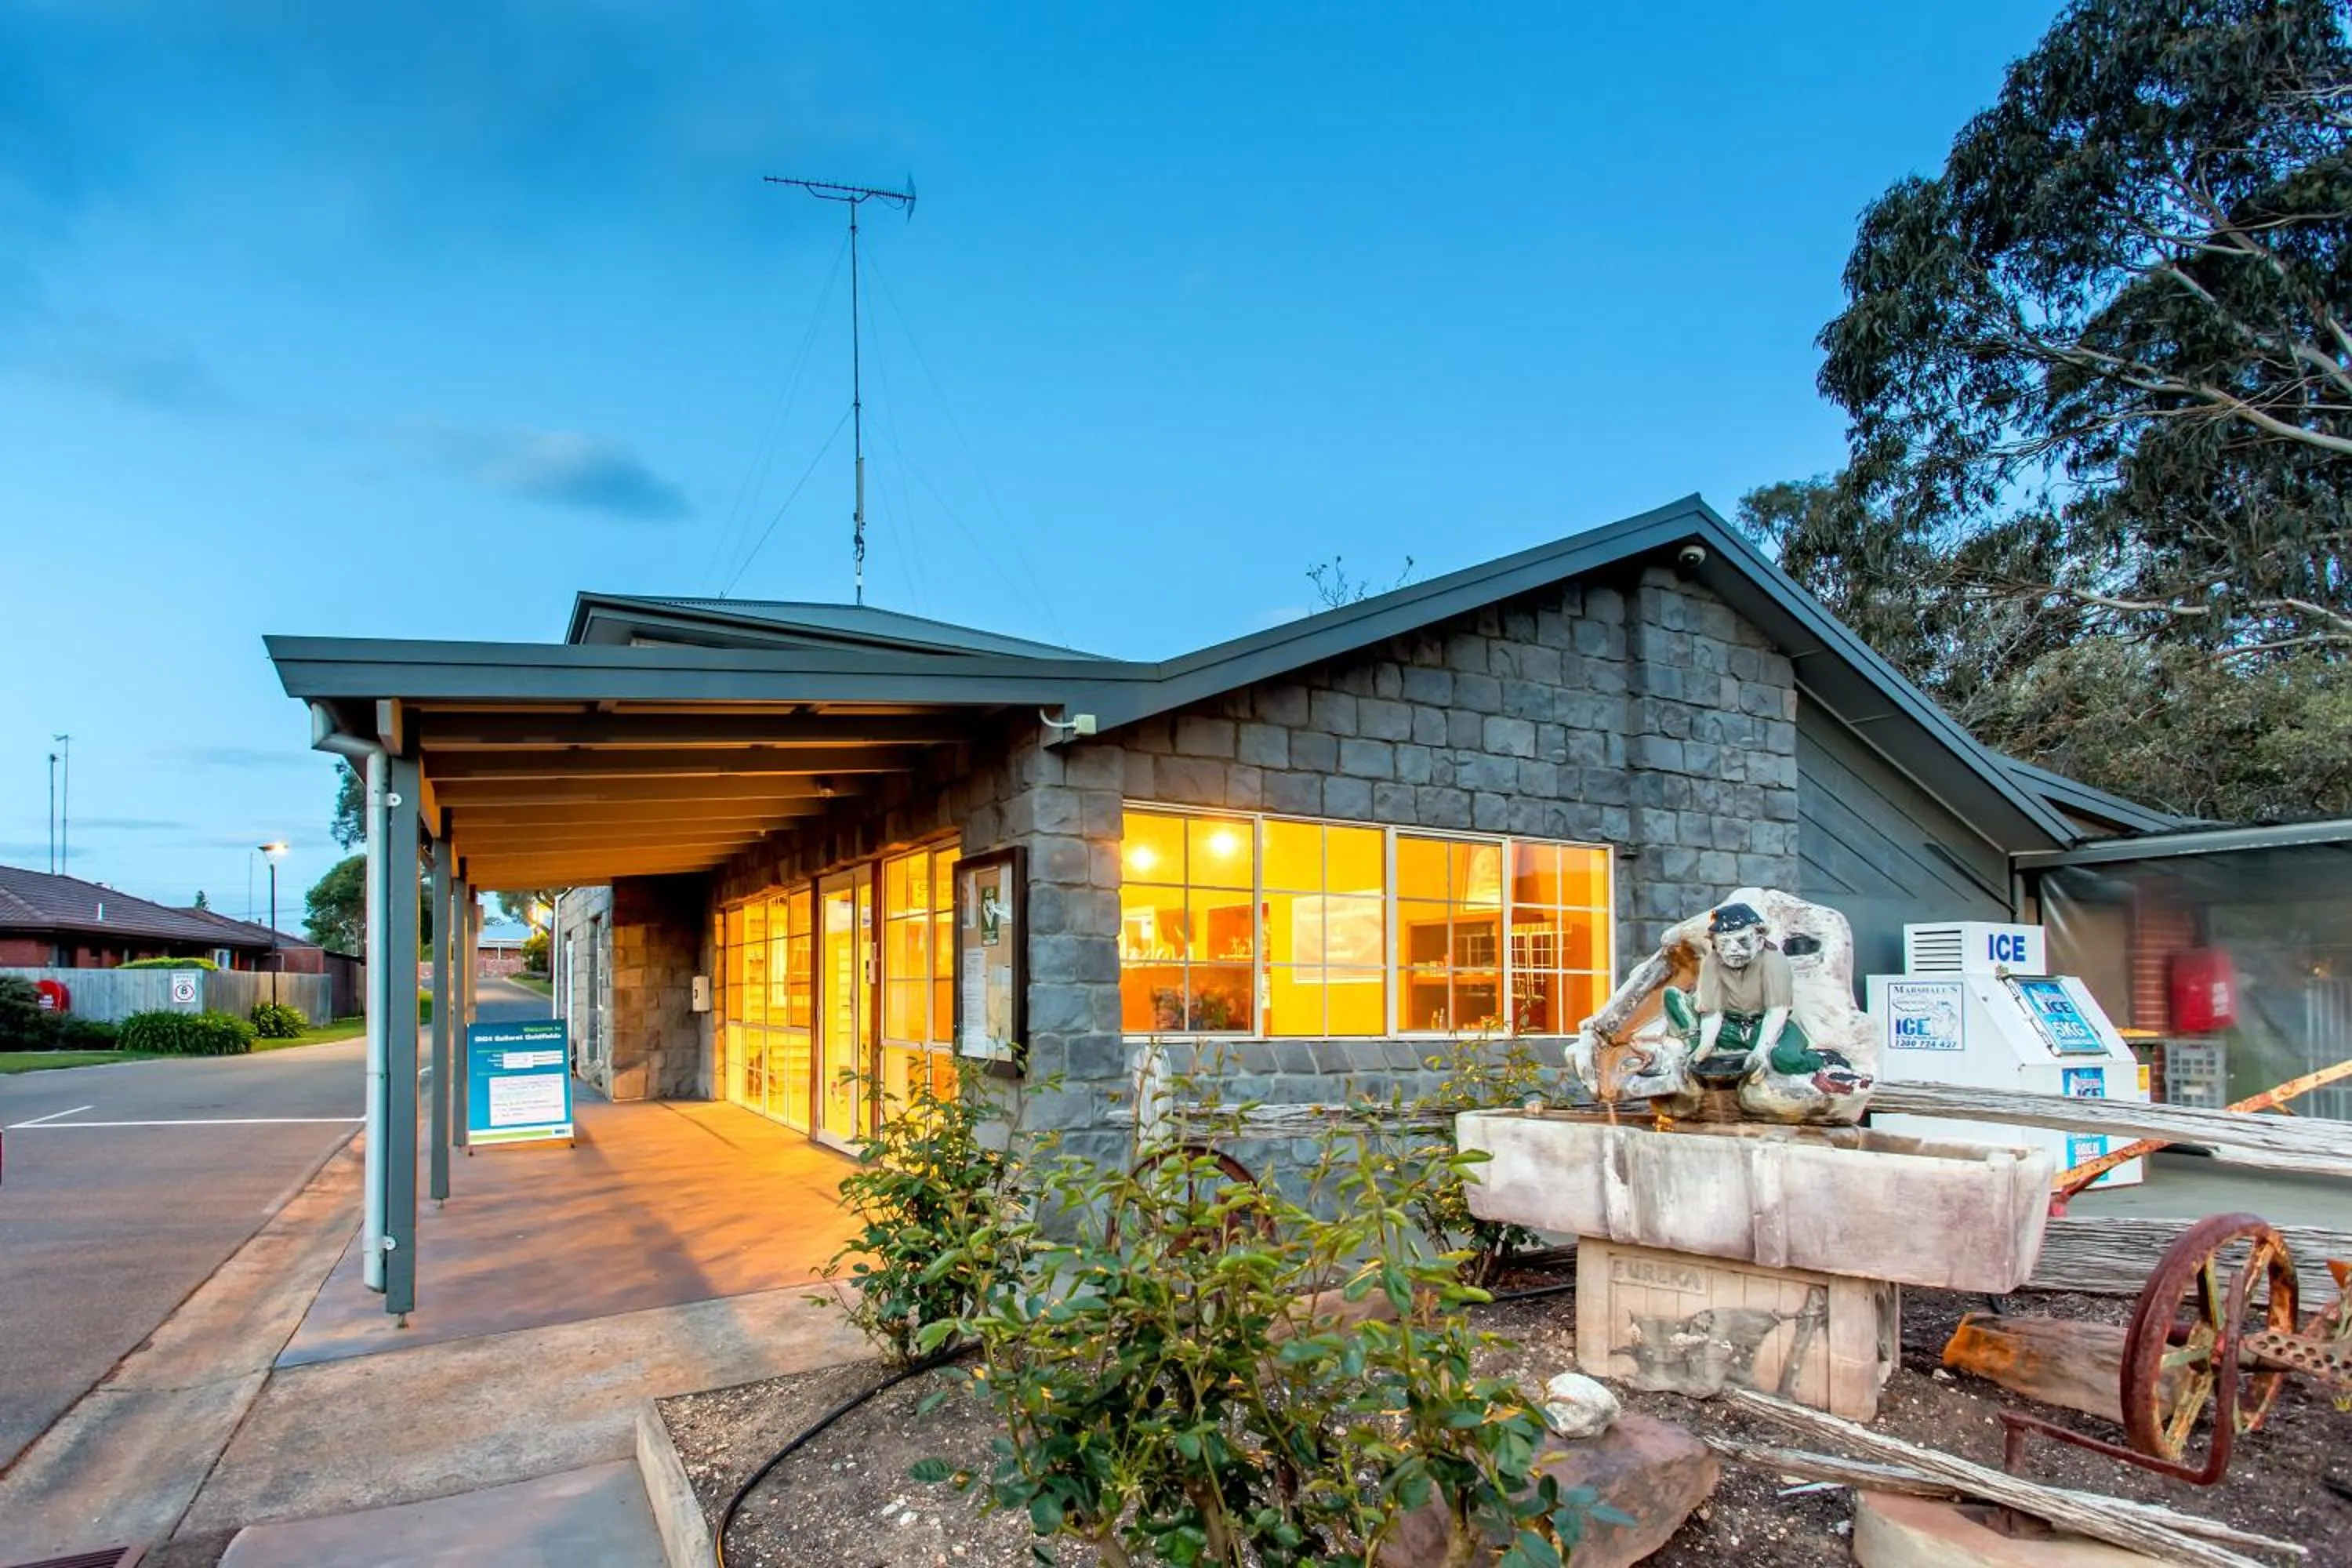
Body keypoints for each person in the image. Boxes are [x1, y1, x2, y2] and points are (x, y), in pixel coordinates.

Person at [1661, 902, 1813, 1086]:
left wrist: (1761, 1051)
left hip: (1763, 1024)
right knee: (1700, 1048)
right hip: (1731, 1026)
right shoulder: (1712, 963)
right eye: (1725, 943)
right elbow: (1713, 1011)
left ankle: (1821, 1062)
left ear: (1759, 939)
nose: (1734, 949)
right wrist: (1704, 1047)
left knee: (1785, 1058)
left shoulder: (1773, 961)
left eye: (1743, 941)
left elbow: (1777, 1011)